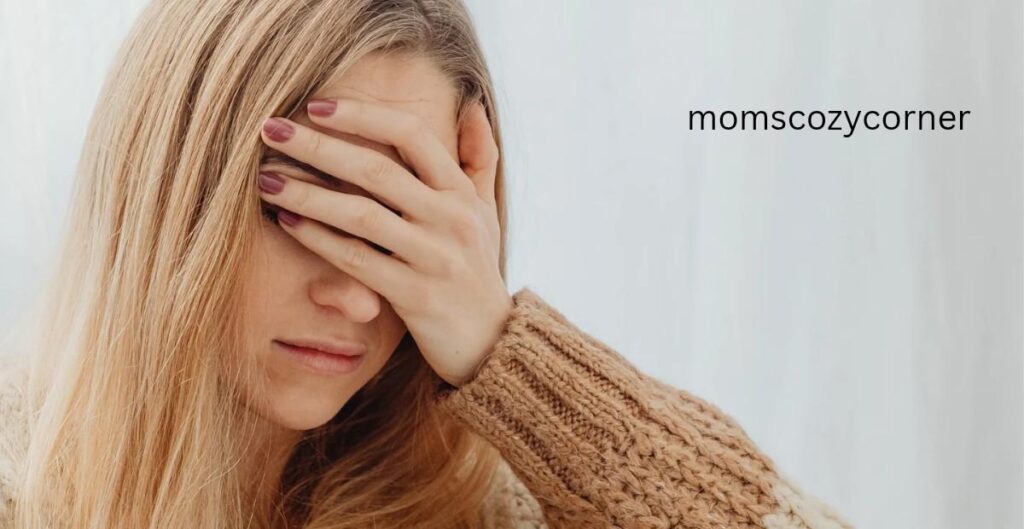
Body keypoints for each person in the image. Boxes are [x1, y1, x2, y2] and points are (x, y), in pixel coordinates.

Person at [0, 0, 855, 528]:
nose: (356, 298)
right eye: (299, 211)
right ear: (166, 189)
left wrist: (503, 349)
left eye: (403, 226)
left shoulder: (478, 504)